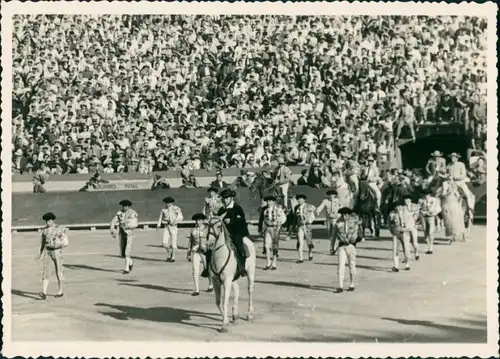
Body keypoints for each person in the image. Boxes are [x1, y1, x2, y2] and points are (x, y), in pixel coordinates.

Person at [217, 189, 250, 276]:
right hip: (224, 233)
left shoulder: (237, 208)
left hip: (237, 232)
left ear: (231, 198)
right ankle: (209, 268)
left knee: (239, 245)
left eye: (227, 198)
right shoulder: (221, 210)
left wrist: (231, 221)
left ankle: (242, 267)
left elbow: (242, 221)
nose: (225, 200)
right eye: (223, 198)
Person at [36, 212, 68, 299]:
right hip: (48, 251)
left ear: (52, 220)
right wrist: (40, 253)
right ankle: (44, 292)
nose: (47, 223)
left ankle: (60, 291)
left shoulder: (59, 229)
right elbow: (43, 242)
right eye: (46, 221)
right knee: (46, 272)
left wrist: (58, 245)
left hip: (57, 251)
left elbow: (65, 241)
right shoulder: (45, 230)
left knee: (59, 271)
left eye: (49, 221)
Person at [331, 207, 363, 293]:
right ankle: (340, 286)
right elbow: (333, 235)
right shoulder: (338, 222)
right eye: (343, 214)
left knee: (352, 264)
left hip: (351, 245)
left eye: (346, 214)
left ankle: (352, 284)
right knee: (340, 265)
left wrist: (354, 239)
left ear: (349, 214)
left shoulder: (354, 221)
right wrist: (332, 247)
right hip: (342, 246)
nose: (345, 216)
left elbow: (358, 232)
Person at [187, 213, 213, 296]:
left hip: (205, 251)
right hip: (195, 251)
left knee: (207, 269)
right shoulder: (192, 229)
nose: (197, 222)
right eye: (196, 220)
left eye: (199, 220)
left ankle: (211, 284)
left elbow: (211, 239)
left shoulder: (207, 229)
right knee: (195, 270)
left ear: (202, 220)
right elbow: (190, 241)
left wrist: (209, 245)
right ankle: (197, 290)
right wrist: (188, 253)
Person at [259, 195, 287, 270]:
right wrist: (261, 229)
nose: (269, 202)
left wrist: (278, 223)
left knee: (275, 246)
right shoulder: (264, 209)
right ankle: (268, 263)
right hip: (267, 228)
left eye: (270, 201)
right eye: (267, 201)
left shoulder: (278, 208)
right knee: (266, 246)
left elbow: (284, 218)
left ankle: (274, 263)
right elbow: (262, 220)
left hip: (275, 228)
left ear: (274, 201)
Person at [110, 200, 139, 274]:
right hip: (122, 233)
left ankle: (126, 269)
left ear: (128, 206)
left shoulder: (132, 213)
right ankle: (131, 262)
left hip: (129, 233)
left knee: (127, 251)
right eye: (123, 206)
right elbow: (113, 221)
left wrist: (126, 225)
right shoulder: (120, 213)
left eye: (126, 206)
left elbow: (135, 224)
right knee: (123, 253)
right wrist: (112, 230)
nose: (124, 207)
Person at [447, 152, 475, 218]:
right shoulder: (449, 165)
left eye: (454, 157)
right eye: (451, 157)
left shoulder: (461, 164)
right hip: (451, 183)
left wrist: (456, 178)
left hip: (460, 182)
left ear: (457, 158)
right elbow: (447, 173)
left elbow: (463, 174)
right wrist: (448, 176)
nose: (452, 159)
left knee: (467, 194)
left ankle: (470, 210)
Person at [157, 197, 184, 262]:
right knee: (164, 243)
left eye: (169, 203)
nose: (168, 204)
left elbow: (180, 217)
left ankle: (173, 257)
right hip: (166, 226)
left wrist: (175, 222)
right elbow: (160, 217)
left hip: (173, 226)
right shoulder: (164, 209)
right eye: (166, 203)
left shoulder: (176, 208)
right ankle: (169, 252)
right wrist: (158, 224)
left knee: (173, 242)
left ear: (172, 202)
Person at [315, 189, 342, 255]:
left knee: (336, 234)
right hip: (329, 220)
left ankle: (333, 248)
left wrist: (339, 215)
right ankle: (333, 248)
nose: (331, 196)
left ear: (335, 195)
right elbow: (320, 207)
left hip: (337, 220)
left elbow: (342, 209)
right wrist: (317, 211)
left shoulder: (338, 201)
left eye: (333, 194)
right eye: (330, 195)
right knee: (330, 235)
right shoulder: (325, 201)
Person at [293, 194, 316, 263]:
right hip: (300, 226)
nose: (300, 200)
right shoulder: (296, 207)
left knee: (308, 240)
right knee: (300, 241)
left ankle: (310, 253)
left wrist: (306, 221)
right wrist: (294, 226)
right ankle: (301, 258)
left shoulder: (309, 206)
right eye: (298, 199)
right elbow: (295, 218)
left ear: (304, 199)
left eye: (301, 199)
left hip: (307, 225)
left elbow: (311, 214)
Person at [419, 188, 442, 254]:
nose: (426, 196)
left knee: (431, 232)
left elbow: (439, 209)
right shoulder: (421, 200)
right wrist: (421, 212)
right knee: (425, 232)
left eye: (427, 194)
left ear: (429, 194)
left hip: (431, 217)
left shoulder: (434, 200)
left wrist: (434, 213)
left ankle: (431, 247)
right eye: (425, 194)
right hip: (423, 217)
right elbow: (419, 208)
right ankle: (428, 246)